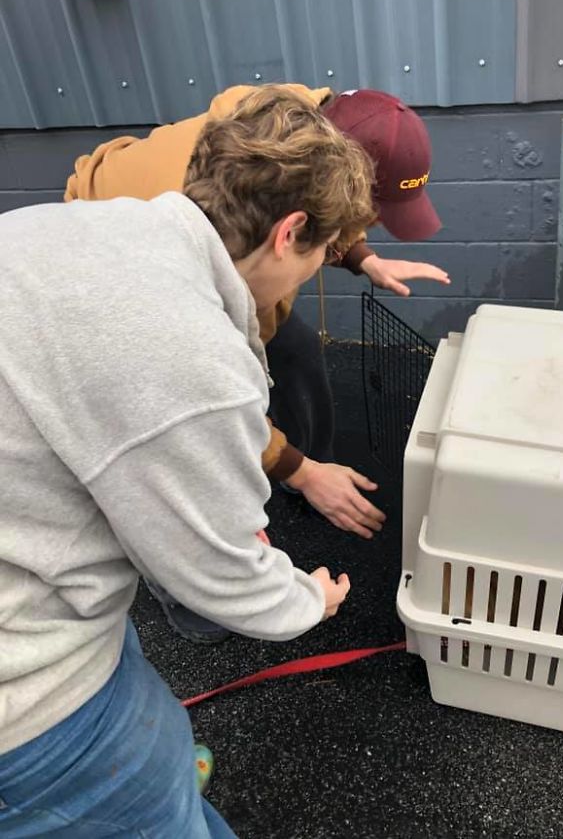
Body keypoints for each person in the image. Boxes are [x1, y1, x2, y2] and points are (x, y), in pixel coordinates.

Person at [0, 86, 377, 837]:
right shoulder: (187, 355)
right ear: (289, 232)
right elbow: (218, 572)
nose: (311, 275)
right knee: (143, 796)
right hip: (29, 705)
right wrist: (307, 598)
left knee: (146, 723)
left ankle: (157, 770)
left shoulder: (68, 229)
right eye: (320, 256)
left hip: (30, 562)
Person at [65, 83, 450, 643]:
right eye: (323, 249)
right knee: (171, 464)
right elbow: (210, 406)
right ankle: (194, 600)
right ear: (290, 230)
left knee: (292, 348)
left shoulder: (283, 125)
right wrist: (288, 476)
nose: (325, 262)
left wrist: (359, 256)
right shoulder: (176, 319)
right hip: (113, 250)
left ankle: (307, 471)